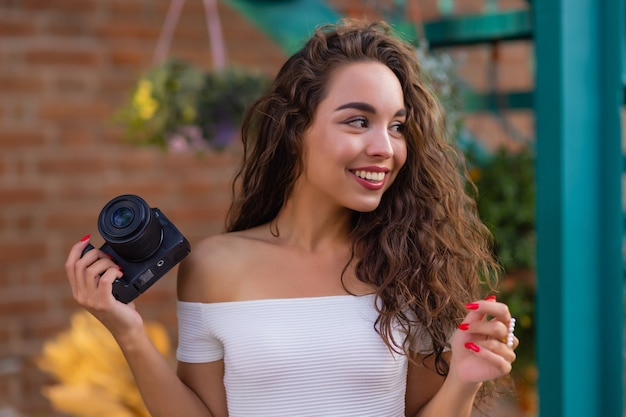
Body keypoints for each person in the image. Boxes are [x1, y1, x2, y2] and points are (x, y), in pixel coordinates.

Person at [66, 19, 518, 417]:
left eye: (396, 125)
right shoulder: (213, 266)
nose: (386, 147)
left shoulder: (411, 264)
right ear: (295, 129)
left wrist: (464, 376)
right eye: (358, 121)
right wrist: (129, 333)